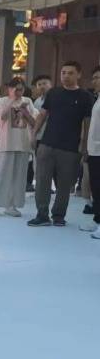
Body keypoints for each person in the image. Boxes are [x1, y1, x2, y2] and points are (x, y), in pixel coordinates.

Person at [28, 61, 94, 227]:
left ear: (79, 75)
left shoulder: (85, 97)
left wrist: (84, 146)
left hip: (70, 148)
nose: (66, 76)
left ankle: (58, 215)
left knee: (65, 184)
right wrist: (34, 134)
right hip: (47, 144)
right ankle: (42, 215)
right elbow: (42, 115)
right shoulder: (53, 93)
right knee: (42, 181)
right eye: (63, 73)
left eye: (70, 73)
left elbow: (87, 123)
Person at [0, 78, 38, 217]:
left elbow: (34, 122)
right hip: (6, 144)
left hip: (23, 144)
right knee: (0, 174)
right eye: (16, 89)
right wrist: (11, 100)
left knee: (19, 177)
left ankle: (11, 205)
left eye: (21, 89)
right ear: (9, 89)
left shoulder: (28, 101)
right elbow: (2, 117)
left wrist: (25, 111)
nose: (19, 92)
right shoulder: (2, 101)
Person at [83, 66, 100, 236]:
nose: (94, 81)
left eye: (98, 78)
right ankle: (97, 220)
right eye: (94, 77)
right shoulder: (97, 99)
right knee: (96, 187)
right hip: (94, 150)